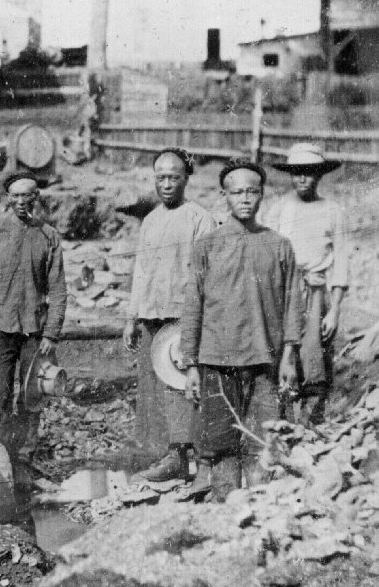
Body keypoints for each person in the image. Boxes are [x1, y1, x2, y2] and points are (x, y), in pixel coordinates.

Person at [181, 160, 303, 501]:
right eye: (237, 192)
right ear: (225, 196)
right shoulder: (206, 246)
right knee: (220, 442)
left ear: (262, 194)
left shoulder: (279, 245)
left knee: (264, 440)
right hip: (218, 362)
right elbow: (193, 306)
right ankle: (226, 509)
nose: (245, 198)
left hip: (265, 359)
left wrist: (289, 357)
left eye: (252, 191)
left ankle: (260, 513)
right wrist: (192, 364)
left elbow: (294, 302)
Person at [123, 149, 214, 482]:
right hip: (152, 314)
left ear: (186, 178)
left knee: (182, 383)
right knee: (154, 385)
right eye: (160, 177)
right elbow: (142, 270)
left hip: (181, 317)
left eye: (173, 177)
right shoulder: (151, 220)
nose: (166, 184)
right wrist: (132, 317)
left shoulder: (199, 218)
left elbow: (205, 274)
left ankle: (192, 456)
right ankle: (169, 455)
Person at [0, 172, 67, 475]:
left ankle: (24, 460)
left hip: (35, 332)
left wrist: (51, 333)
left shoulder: (49, 236)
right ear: (7, 198)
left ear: (37, 197)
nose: (22, 201)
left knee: (31, 397)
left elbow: (59, 289)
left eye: (28, 195)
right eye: (15, 195)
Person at [263, 143, 348, 425]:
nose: (302, 179)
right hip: (285, 293)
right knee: (282, 355)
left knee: (314, 356)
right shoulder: (280, 209)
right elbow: (268, 255)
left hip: (315, 293)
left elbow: (341, 263)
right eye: (297, 173)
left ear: (319, 176)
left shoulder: (332, 210)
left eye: (309, 173)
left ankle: (312, 426)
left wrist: (334, 309)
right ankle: (283, 426)